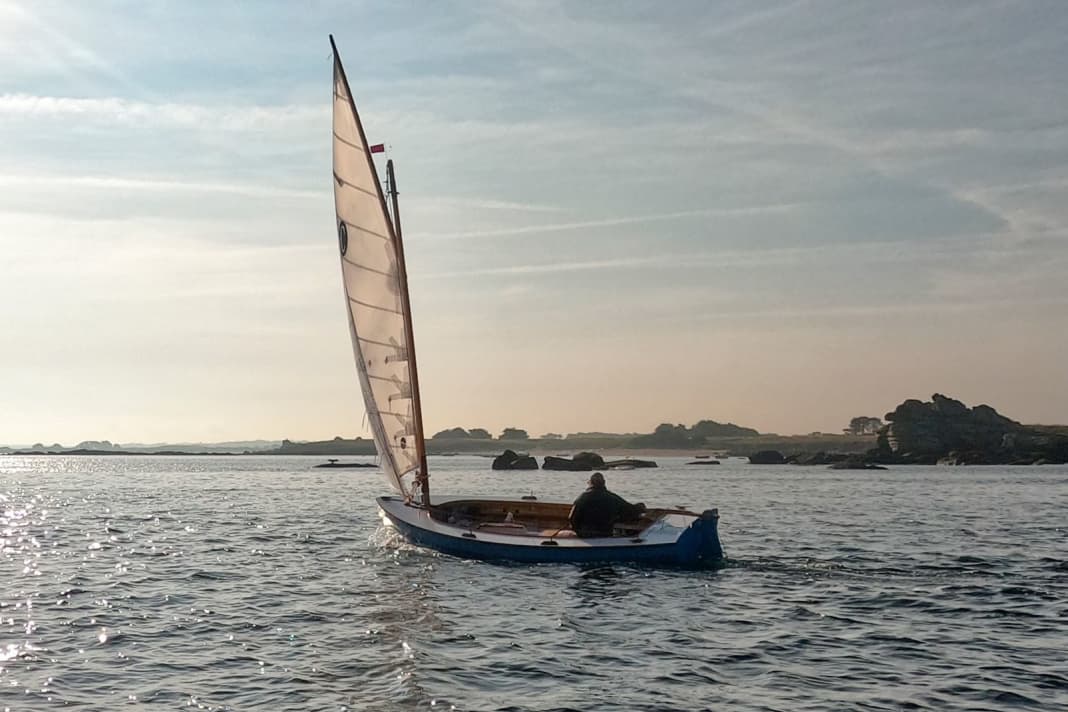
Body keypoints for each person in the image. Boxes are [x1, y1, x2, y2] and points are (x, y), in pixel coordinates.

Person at [568, 472, 646, 537]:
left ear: (590, 483)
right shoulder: (612, 498)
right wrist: (640, 507)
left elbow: (572, 518)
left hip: (584, 534)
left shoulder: (582, 497)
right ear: (604, 483)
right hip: (605, 534)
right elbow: (630, 510)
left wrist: (577, 531)